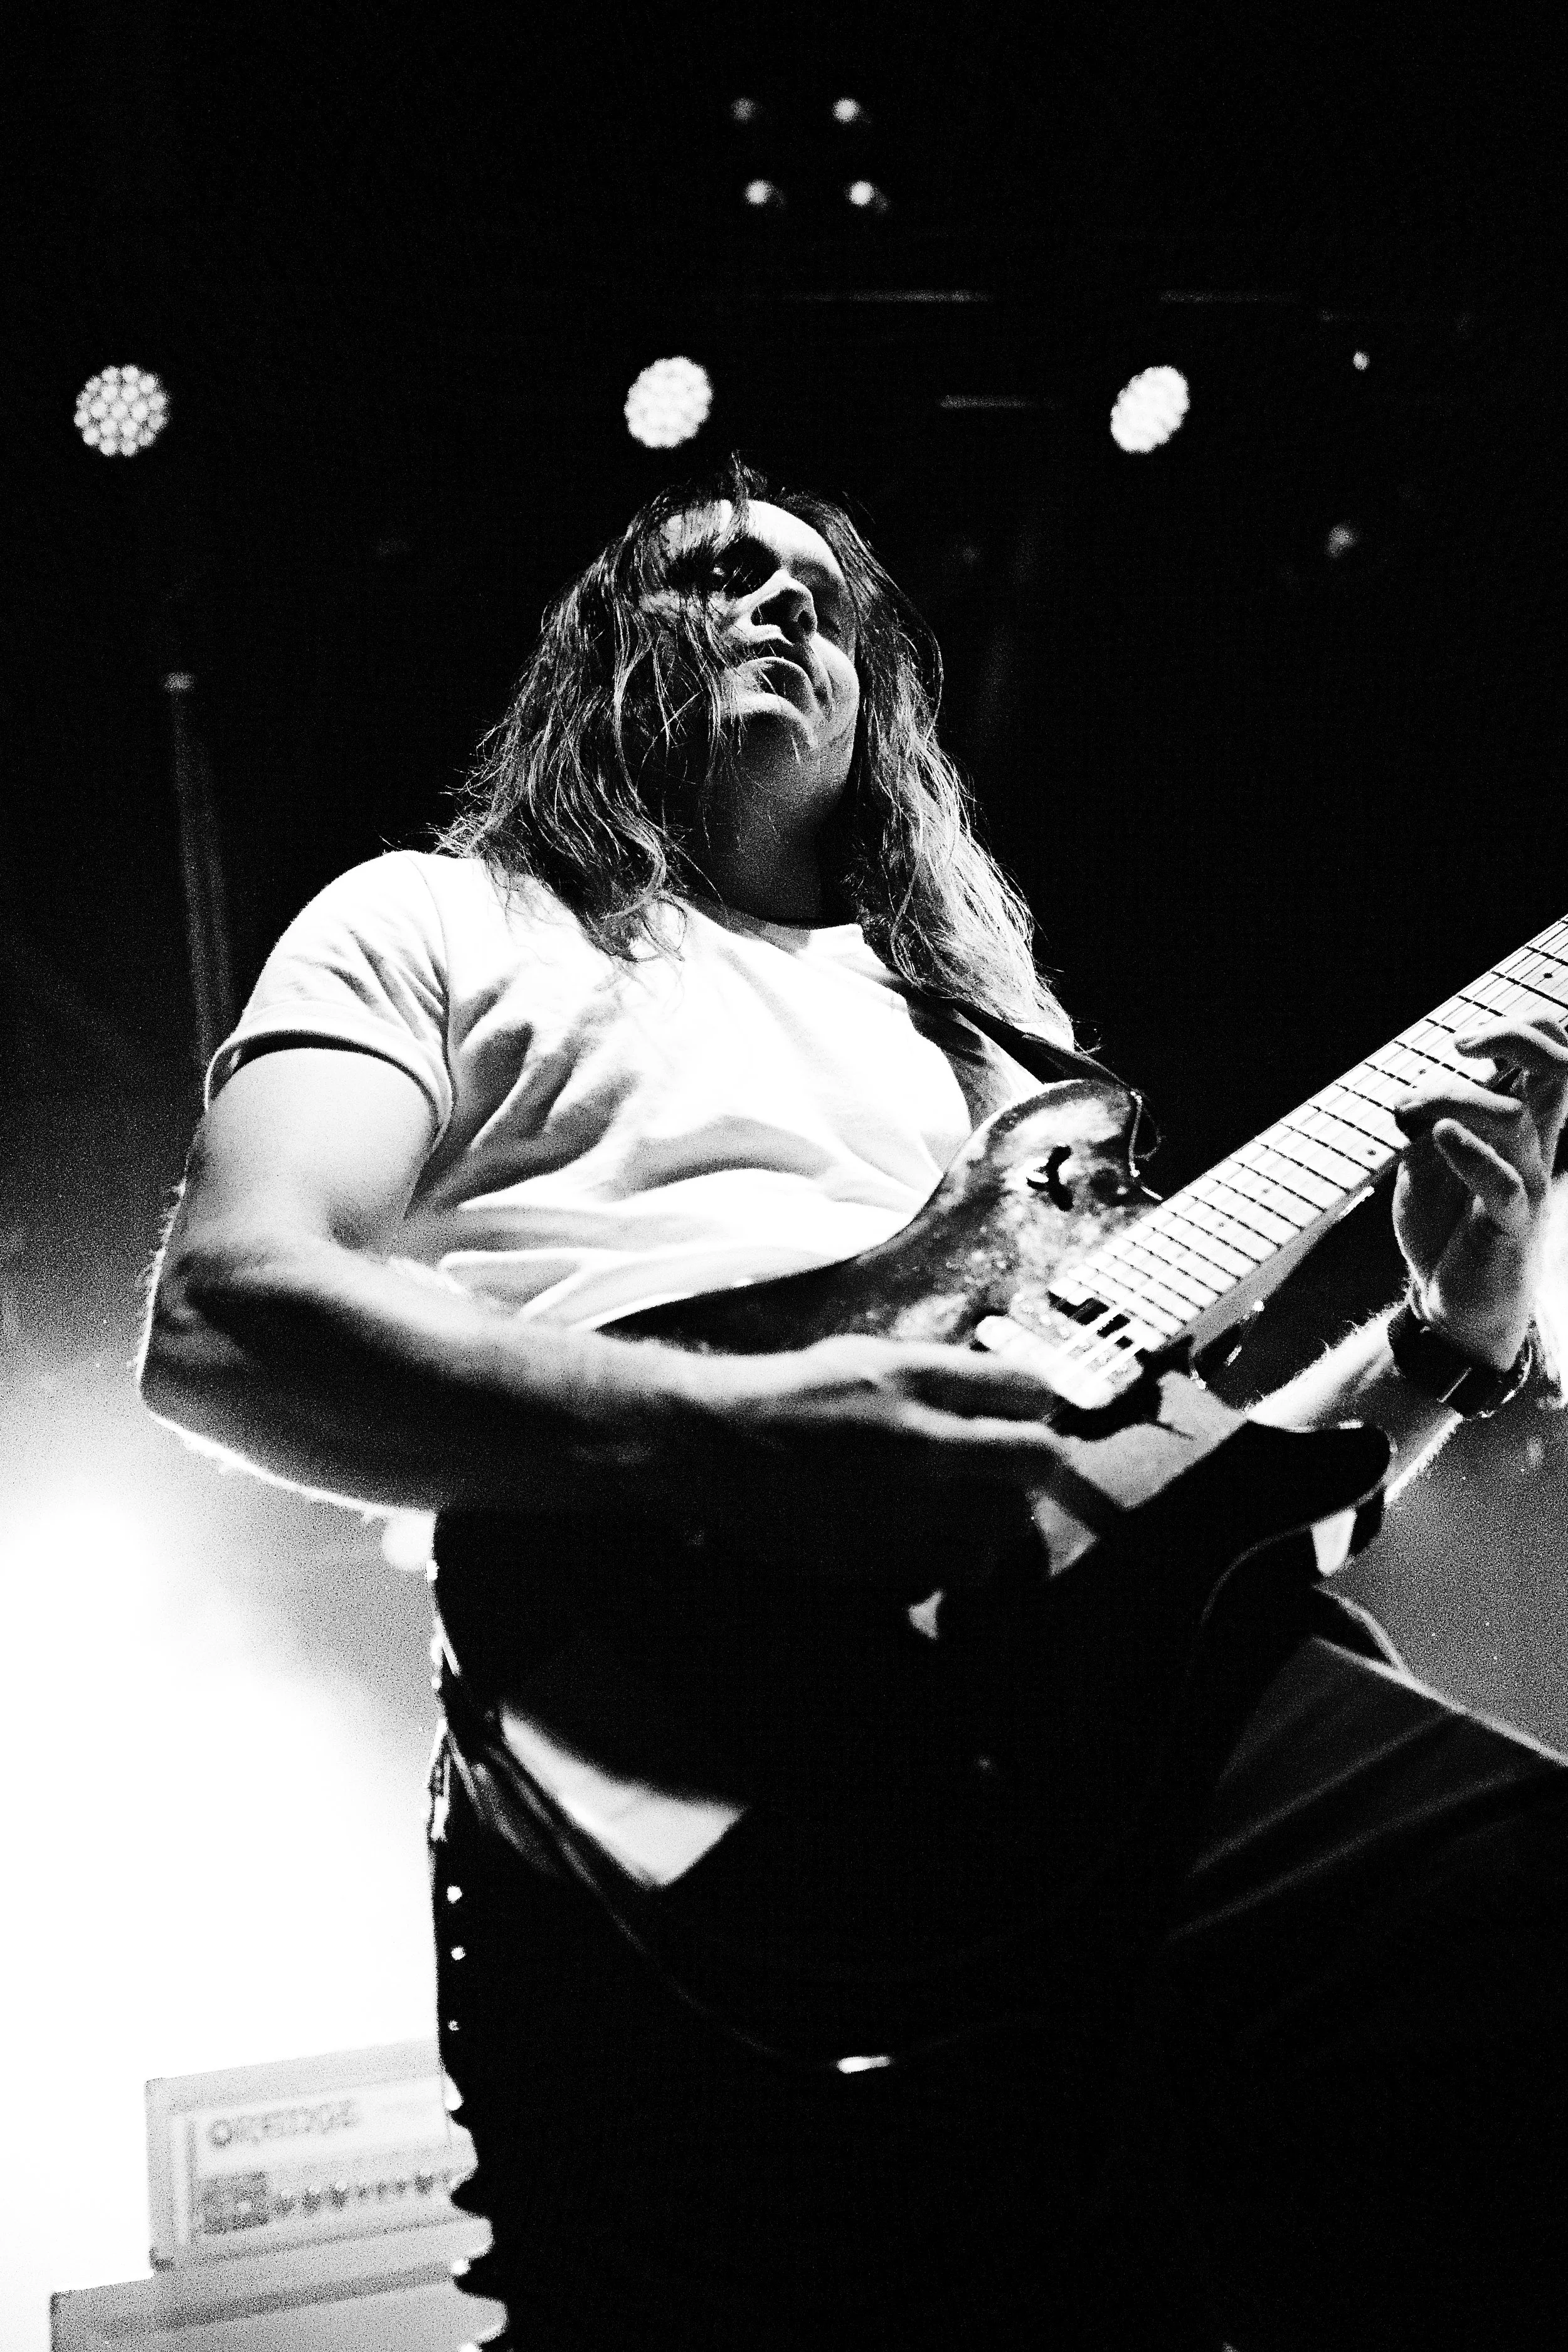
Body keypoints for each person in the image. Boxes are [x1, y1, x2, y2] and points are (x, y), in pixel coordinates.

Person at [140, 455, 1568, 2351]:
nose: (777, 601)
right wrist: (740, 1432)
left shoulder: (986, 1047)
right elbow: (230, 1313)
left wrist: (1439, 1343)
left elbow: (1176, 1525)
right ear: (595, 655)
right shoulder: (433, 921)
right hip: (661, 1715)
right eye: (712, 571)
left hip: (1071, 1743)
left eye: (822, 596)